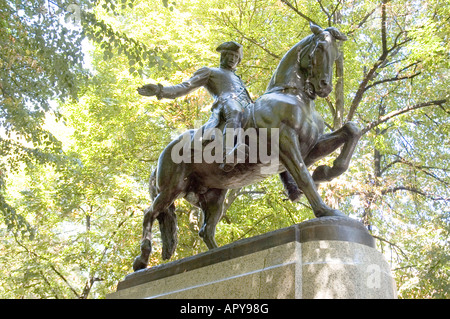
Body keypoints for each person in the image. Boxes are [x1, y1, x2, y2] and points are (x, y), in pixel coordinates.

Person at [137, 41, 252, 172]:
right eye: (230, 55)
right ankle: (227, 154)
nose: (232, 59)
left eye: (236, 57)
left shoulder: (238, 79)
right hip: (226, 105)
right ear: (223, 56)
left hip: (245, 106)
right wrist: (160, 90)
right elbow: (186, 86)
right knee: (235, 109)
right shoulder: (210, 72)